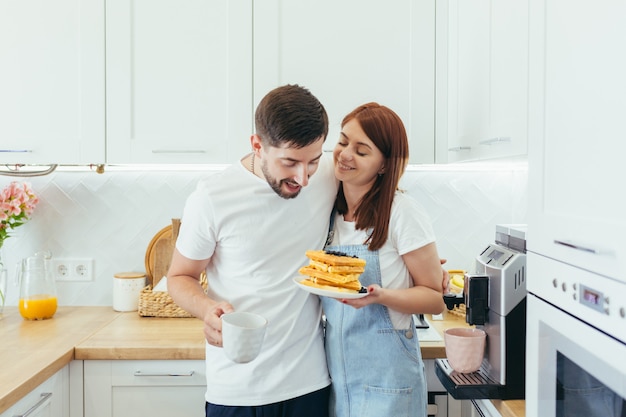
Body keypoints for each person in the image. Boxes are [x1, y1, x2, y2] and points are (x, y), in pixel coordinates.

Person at [167, 84, 338, 417]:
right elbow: (179, 276)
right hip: (236, 390)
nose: (303, 178)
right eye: (289, 162)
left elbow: (386, 183)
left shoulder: (329, 175)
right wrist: (206, 309)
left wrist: (417, 265)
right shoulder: (212, 198)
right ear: (257, 145)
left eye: (313, 162)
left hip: (309, 383)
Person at [321, 102, 446, 417]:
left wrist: (381, 296)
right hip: (337, 379)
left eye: (362, 151)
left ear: (384, 165)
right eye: (343, 141)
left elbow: (434, 299)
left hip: (388, 384)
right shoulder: (326, 211)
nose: (346, 154)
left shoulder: (402, 212)